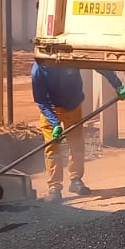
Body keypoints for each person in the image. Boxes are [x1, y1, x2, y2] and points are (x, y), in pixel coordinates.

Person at [32, 62, 94, 202]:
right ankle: (54, 187)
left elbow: (99, 64)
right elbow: (41, 101)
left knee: (77, 144)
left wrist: (116, 84)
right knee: (52, 148)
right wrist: (55, 124)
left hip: (74, 107)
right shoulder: (39, 70)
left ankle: (76, 179)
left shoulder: (70, 58)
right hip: (51, 110)